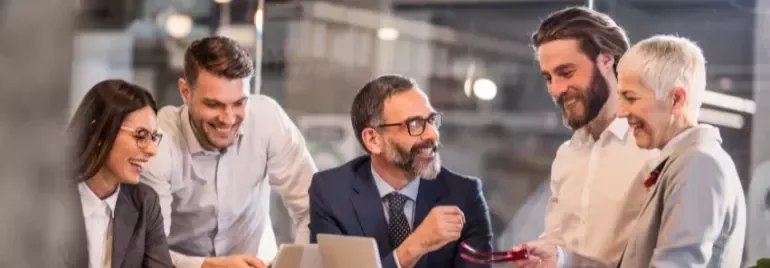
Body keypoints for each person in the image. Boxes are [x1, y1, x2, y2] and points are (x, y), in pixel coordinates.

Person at [517, 35, 747, 268]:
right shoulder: (681, 163)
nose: (621, 112)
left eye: (631, 98)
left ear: (676, 100)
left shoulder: (699, 166)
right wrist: (565, 260)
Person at [140, 36, 317, 268]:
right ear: (185, 92)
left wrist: (291, 265)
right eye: (213, 105)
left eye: (239, 103)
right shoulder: (158, 141)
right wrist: (208, 266)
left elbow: (313, 210)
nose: (228, 118)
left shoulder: (267, 119)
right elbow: (151, 249)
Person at [518, 6, 659, 265]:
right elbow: (558, 246)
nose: (556, 90)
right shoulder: (567, 155)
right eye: (548, 77)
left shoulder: (654, 150)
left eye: (566, 73)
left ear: (606, 61)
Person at [308, 74, 494, 268]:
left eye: (431, 120)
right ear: (373, 140)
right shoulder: (331, 193)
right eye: (414, 124)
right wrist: (414, 247)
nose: (432, 134)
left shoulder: (464, 195)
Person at [67, 79, 173, 268]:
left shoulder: (145, 202)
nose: (152, 150)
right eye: (140, 135)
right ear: (99, 131)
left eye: (153, 137)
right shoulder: (47, 200)